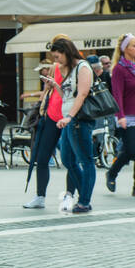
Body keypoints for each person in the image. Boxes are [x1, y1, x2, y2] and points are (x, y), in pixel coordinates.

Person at [47, 36, 96, 214]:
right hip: (68, 119)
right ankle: (84, 193)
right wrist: (55, 86)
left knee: (86, 160)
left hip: (79, 119)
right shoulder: (69, 69)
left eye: (57, 57)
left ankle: (84, 201)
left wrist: (69, 117)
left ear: (66, 53)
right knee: (67, 158)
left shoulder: (83, 67)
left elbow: (82, 95)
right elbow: (68, 95)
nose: (56, 61)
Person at [106, 33, 135, 198]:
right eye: (134, 45)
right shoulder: (119, 69)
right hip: (127, 116)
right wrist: (120, 116)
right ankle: (112, 173)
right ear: (125, 49)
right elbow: (117, 95)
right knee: (131, 149)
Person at [22, 60, 64, 210]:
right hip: (49, 120)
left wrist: (55, 86)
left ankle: (74, 195)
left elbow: (70, 97)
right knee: (41, 159)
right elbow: (43, 101)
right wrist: (46, 89)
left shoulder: (69, 74)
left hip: (65, 118)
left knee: (70, 160)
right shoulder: (52, 80)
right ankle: (40, 196)